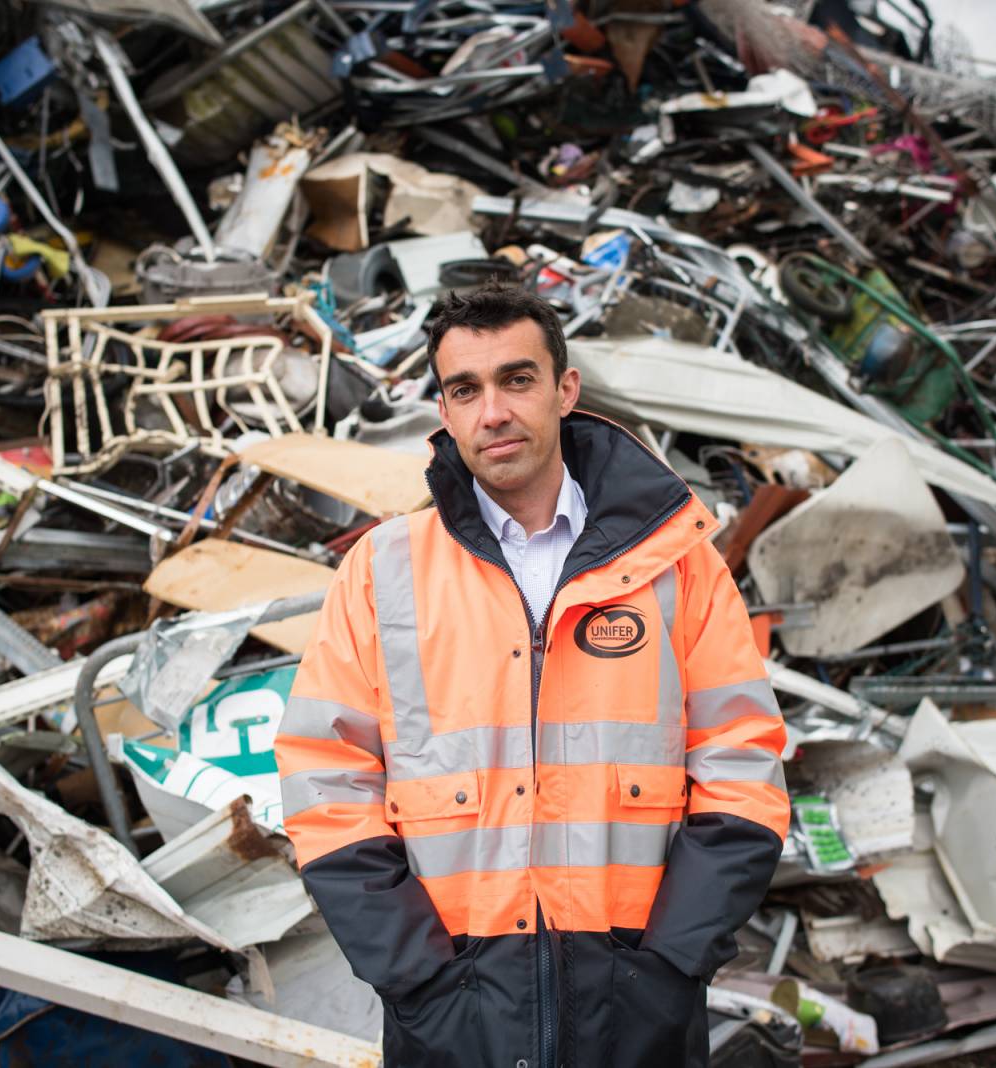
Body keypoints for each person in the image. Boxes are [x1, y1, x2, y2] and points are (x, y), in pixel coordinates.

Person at [275, 284, 790, 1067]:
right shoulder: (382, 571)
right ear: (442, 412)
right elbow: (325, 785)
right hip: (451, 1009)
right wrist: (419, 982)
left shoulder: (678, 567)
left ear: (564, 390)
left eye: (516, 379)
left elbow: (743, 771)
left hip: (639, 1006)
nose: (493, 412)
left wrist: (670, 967)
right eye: (465, 389)